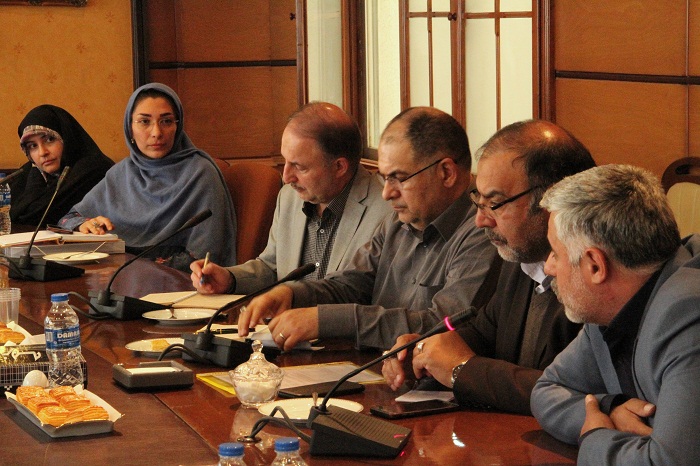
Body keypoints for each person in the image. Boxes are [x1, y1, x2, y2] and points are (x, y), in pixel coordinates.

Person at [238, 107, 499, 351]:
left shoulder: (484, 230)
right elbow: (351, 285)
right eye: (385, 178)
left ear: (446, 173)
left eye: (398, 178)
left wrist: (326, 320)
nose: (386, 193)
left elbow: (443, 325)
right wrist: (291, 294)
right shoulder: (399, 220)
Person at [382, 120, 595, 414]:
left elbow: (572, 393)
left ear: (551, 199)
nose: (481, 220)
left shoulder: (592, 275)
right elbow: (485, 333)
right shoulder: (520, 257)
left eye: (495, 203)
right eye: (478, 201)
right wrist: (426, 351)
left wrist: (462, 369)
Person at [531, 164, 700, 465]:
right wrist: (610, 409)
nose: (549, 267)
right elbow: (547, 390)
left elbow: (669, 462)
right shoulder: (609, 309)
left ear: (595, 265)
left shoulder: (688, 314)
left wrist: (595, 435)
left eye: (555, 253)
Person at [189, 102, 391, 293]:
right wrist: (230, 279)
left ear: (339, 167)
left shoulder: (387, 212)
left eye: (299, 167)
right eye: (285, 161)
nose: (286, 177)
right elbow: (272, 268)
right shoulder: (289, 197)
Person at [59, 83, 236, 269]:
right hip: (118, 277)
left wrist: (130, 267)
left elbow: (206, 257)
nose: (156, 133)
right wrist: (84, 224)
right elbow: (67, 219)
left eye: (166, 121)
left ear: (178, 126)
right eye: (144, 121)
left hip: (178, 282)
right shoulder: (121, 173)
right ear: (130, 128)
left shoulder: (201, 174)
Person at [9, 105, 114, 226]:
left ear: (66, 137)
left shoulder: (94, 170)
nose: (42, 152)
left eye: (49, 139)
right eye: (33, 146)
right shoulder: (31, 172)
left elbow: (36, 217)